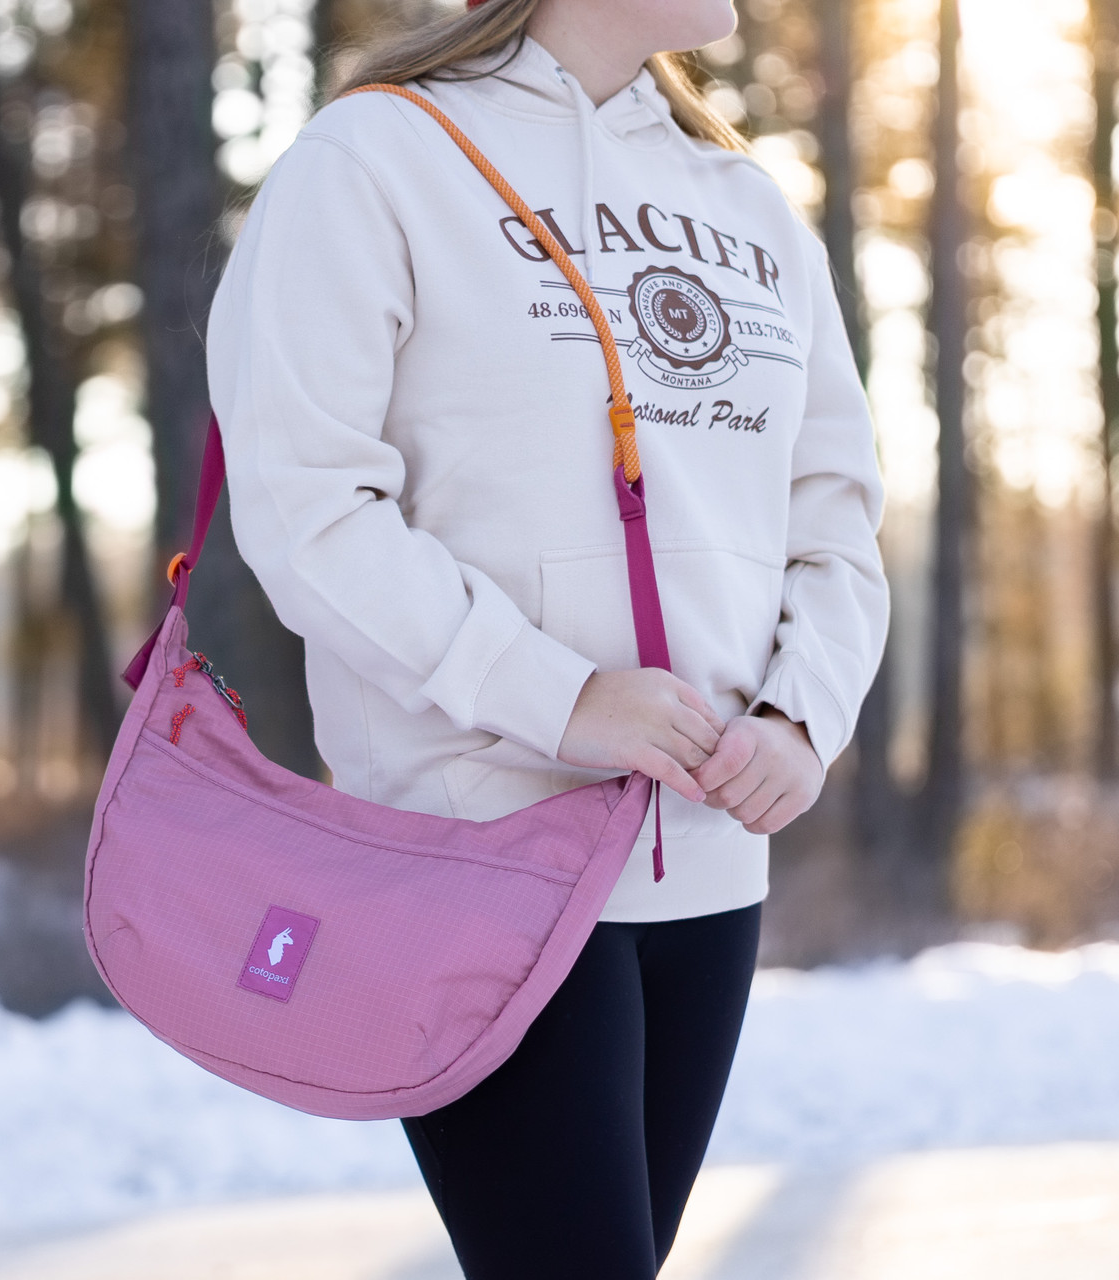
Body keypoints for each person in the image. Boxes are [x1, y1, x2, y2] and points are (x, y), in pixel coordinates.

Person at [206, 0, 890, 1274]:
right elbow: (308, 511)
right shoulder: (372, 162)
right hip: (474, 843)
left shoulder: (744, 198)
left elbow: (833, 508)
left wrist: (801, 714)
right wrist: (564, 698)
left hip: (701, 851)